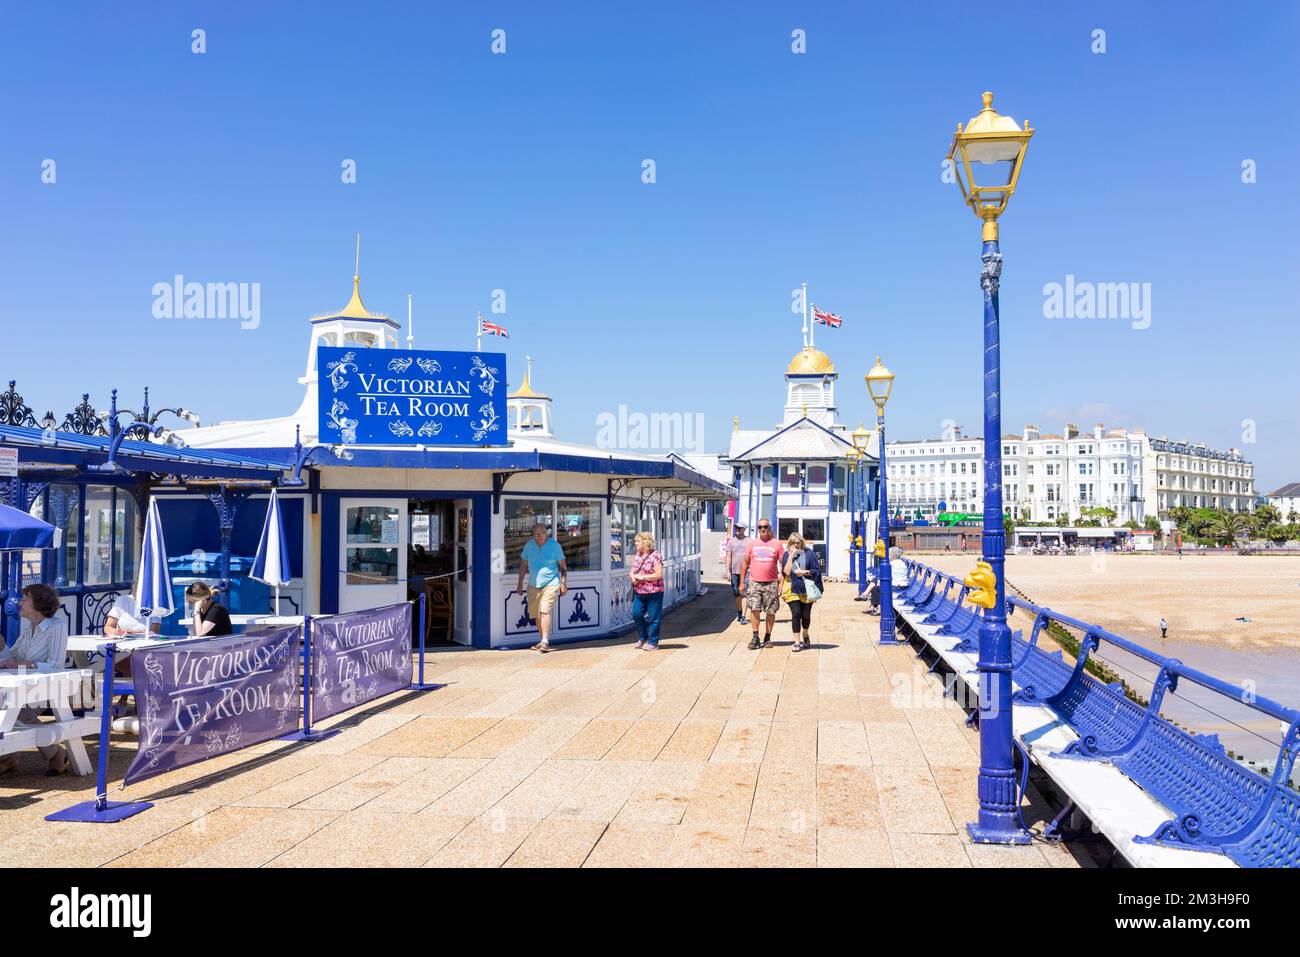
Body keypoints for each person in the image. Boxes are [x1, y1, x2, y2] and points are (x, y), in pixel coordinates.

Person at [0, 584, 71, 775]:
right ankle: (8, 758)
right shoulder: (28, 627)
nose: (20, 602)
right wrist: (2, 648)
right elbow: (14, 656)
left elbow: (56, 665)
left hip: (48, 688)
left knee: (17, 714)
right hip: (21, 687)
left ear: (39, 603)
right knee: (9, 709)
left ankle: (55, 753)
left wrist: (28, 664)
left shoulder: (57, 627)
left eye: (25, 599)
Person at [516, 522, 568, 653]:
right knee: (536, 614)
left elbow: (563, 566)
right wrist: (520, 583)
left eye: (542, 533)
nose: (539, 536)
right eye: (536, 533)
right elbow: (523, 565)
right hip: (533, 584)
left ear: (547, 533)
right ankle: (542, 640)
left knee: (545, 609)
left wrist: (563, 583)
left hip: (551, 583)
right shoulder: (529, 546)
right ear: (533, 534)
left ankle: (545, 641)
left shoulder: (555, 546)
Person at [738, 519, 784, 650]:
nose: (763, 529)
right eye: (760, 527)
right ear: (757, 528)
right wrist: (742, 582)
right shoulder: (752, 544)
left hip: (771, 583)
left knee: (770, 611)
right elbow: (745, 564)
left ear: (769, 527)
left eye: (765, 527)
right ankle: (755, 637)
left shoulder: (777, 544)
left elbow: (783, 562)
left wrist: (782, 581)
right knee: (754, 609)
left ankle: (768, 637)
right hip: (755, 583)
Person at [781, 533, 823, 652]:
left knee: (805, 615)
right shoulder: (786, 554)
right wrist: (791, 556)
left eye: (798, 542)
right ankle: (797, 642)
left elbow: (816, 570)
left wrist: (804, 572)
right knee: (796, 613)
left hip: (806, 588)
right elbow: (787, 572)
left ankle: (805, 633)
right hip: (791, 588)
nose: (795, 544)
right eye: (793, 542)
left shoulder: (809, 554)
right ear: (789, 544)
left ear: (802, 542)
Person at [629, 531, 665, 650]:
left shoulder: (655, 555)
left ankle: (653, 642)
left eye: (638, 541)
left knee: (653, 618)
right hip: (639, 592)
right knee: (636, 614)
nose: (636, 543)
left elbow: (659, 574)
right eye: (635, 541)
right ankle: (643, 636)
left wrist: (643, 577)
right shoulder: (637, 555)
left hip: (654, 591)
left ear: (646, 542)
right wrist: (633, 577)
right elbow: (632, 571)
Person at [723, 524, 749, 623]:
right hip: (735, 572)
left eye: (739, 528)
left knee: (745, 593)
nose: (737, 530)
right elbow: (728, 556)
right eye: (736, 528)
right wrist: (727, 571)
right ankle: (739, 611)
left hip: (747, 571)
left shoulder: (749, 541)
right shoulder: (731, 541)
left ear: (744, 529)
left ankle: (743, 616)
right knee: (737, 593)